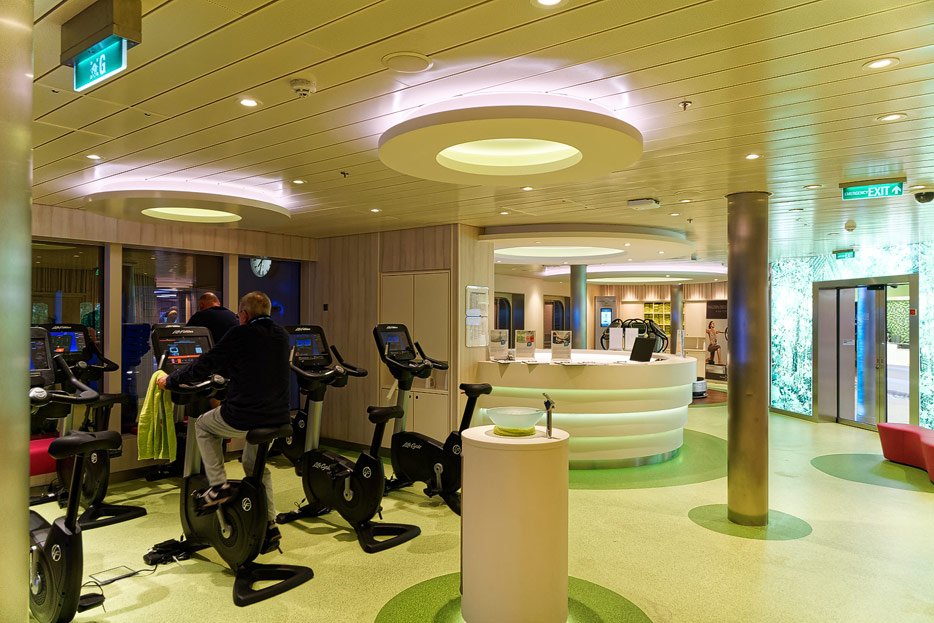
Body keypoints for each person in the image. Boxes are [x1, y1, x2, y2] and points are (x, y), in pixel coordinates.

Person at [156, 291, 290, 548]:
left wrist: (171, 380)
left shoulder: (240, 333)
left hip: (246, 415)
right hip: (278, 417)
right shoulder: (281, 335)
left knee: (203, 425)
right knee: (255, 467)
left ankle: (218, 486)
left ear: (244, 315)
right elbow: (253, 364)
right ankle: (270, 525)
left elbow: (205, 363)